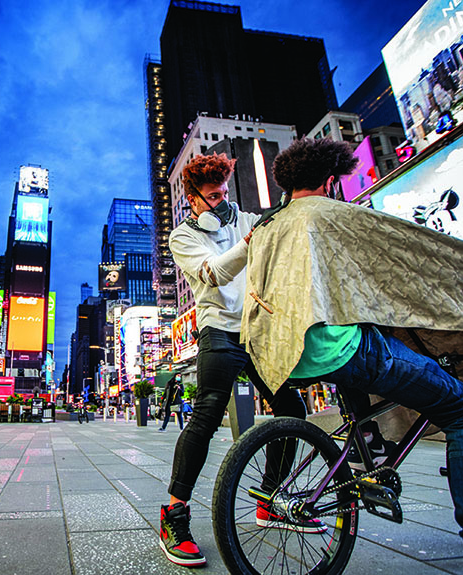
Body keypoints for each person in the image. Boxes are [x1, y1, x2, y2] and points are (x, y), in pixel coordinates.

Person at [243, 137, 463, 575]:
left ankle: (365, 453)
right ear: (332, 180)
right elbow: (415, 258)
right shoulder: (334, 214)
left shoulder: (264, 228)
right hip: (338, 346)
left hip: (284, 354)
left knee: (359, 384)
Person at [158, 153, 318, 568]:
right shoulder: (182, 238)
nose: (223, 200)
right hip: (218, 330)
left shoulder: (244, 221)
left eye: (225, 191)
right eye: (213, 195)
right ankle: (174, 514)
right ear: (193, 200)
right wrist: (248, 244)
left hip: (257, 329)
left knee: (291, 408)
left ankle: (268, 499)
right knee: (208, 413)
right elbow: (213, 274)